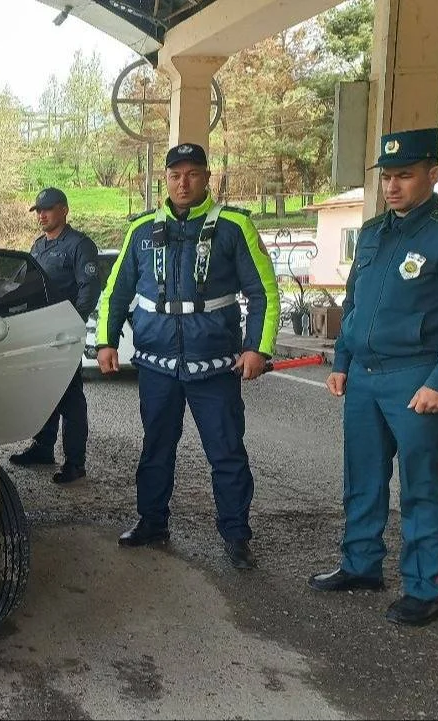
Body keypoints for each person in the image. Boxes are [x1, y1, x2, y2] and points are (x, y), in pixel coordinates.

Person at [308, 128, 438, 626]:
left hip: (418, 378)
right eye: (387, 177)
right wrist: (341, 361)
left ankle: (424, 588)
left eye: (405, 176)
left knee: (423, 486)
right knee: (362, 479)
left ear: (432, 175)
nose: (393, 186)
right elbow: (355, 306)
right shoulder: (373, 233)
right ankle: (361, 564)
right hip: (364, 380)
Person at [93, 143, 279, 570]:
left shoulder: (234, 227)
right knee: (156, 448)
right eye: (176, 175)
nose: (183, 182)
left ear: (207, 177)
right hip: (157, 365)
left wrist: (257, 348)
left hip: (215, 367)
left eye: (193, 174)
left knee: (226, 452)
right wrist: (105, 342)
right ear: (165, 179)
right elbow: (116, 291)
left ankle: (236, 536)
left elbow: (263, 292)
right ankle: (152, 521)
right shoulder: (140, 230)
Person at [8, 187, 101, 485]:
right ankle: (43, 447)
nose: (42, 215)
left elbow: (89, 288)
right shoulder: (38, 247)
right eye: (38, 210)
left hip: (64, 332)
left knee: (70, 397)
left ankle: (75, 462)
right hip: (42, 331)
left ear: (64, 210)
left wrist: (73, 322)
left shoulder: (79, 245)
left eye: (47, 209)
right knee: (44, 390)